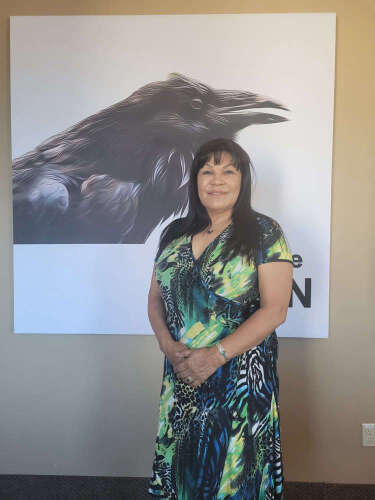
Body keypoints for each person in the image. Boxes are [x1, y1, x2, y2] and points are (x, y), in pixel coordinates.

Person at [147, 138, 293, 499]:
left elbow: (275, 309)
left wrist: (213, 357)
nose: (217, 179)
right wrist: (167, 345)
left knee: (234, 478)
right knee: (185, 471)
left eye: (229, 171)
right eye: (207, 171)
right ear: (195, 181)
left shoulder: (264, 232)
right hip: (182, 375)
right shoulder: (173, 233)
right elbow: (155, 299)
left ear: (243, 181)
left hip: (238, 380)